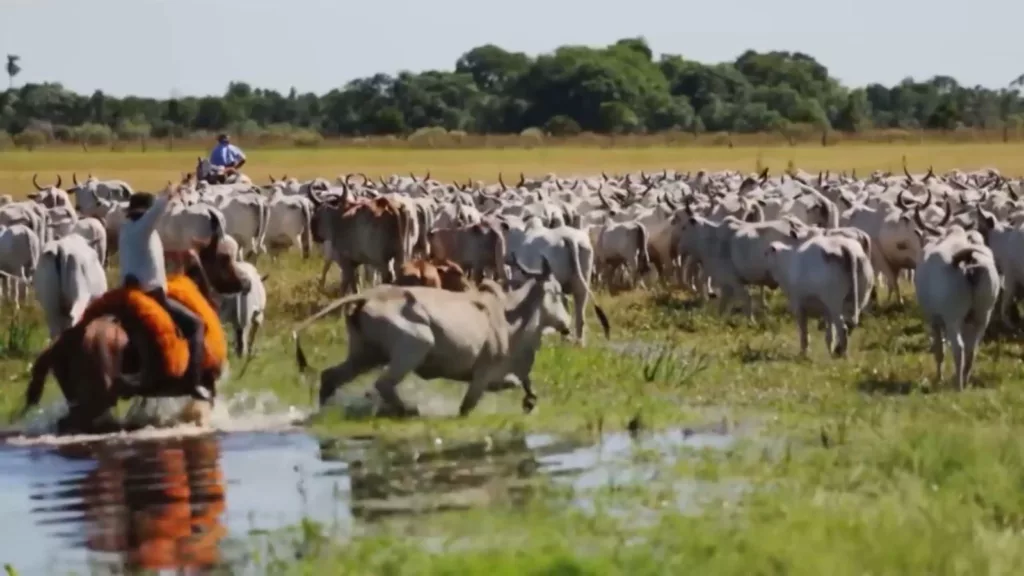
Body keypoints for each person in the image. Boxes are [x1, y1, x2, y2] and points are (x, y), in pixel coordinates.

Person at [118, 185, 209, 401]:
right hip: (151, 297)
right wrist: (172, 191)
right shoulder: (144, 227)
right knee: (197, 325)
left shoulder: (127, 230)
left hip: (127, 295)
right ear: (145, 213)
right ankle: (193, 383)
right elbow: (158, 209)